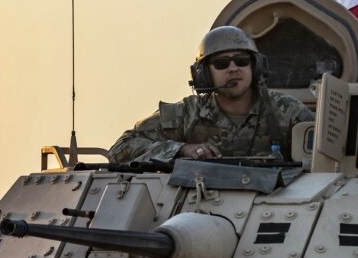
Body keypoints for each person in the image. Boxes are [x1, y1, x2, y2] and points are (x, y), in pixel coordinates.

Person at [108, 26, 314, 164]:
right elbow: (120, 148)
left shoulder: (286, 110)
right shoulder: (186, 113)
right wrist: (181, 150)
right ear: (204, 74)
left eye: (242, 61)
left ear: (256, 67)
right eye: (222, 64)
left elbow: (328, 153)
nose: (233, 69)